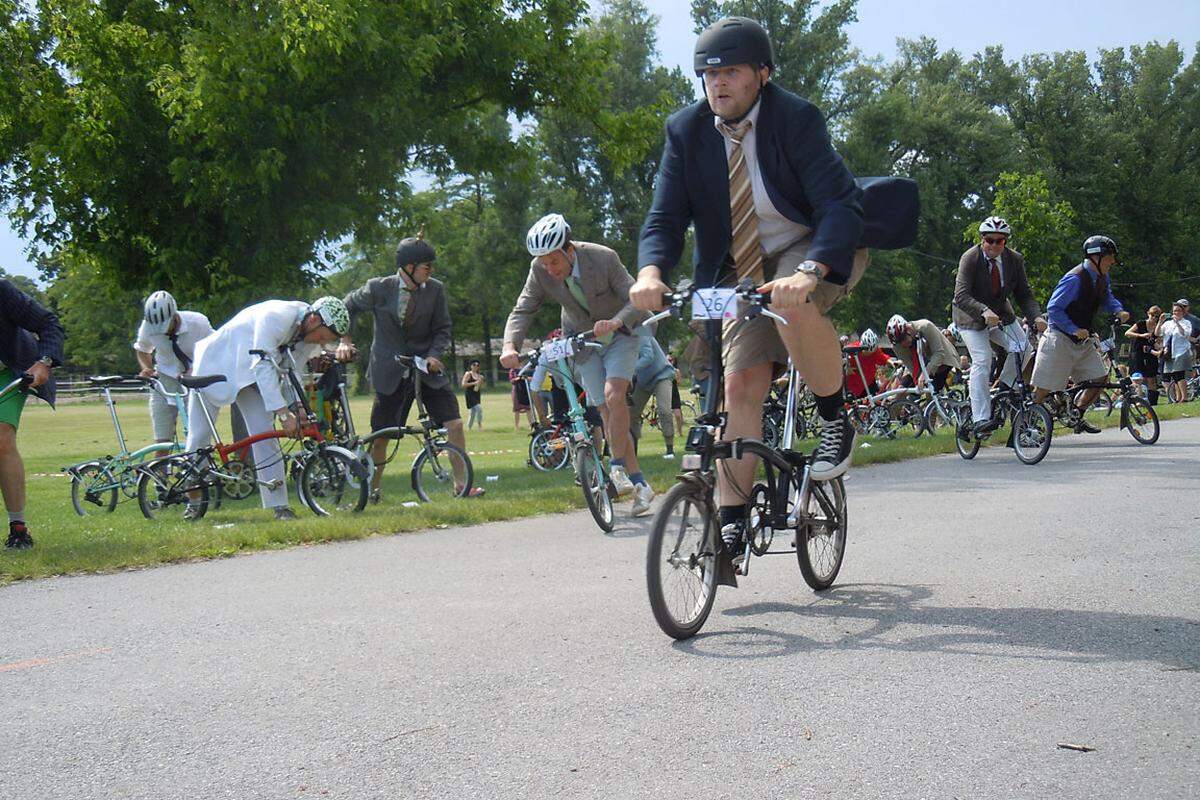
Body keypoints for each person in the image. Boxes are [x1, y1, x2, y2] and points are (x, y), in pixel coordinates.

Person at [628, 16, 918, 560]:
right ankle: (733, 521)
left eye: (731, 72)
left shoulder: (797, 119)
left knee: (797, 303)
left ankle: (836, 416)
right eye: (708, 75)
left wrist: (810, 271)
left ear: (762, 73)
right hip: (739, 265)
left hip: (810, 245)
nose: (718, 84)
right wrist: (649, 274)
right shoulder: (686, 132)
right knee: (738, 387)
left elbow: (837, 204)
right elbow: (664, 217)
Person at [499, 213, 655, 516]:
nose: (549, 269)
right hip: (581, 339)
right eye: (544, 263)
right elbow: (524, 308)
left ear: (569, 250)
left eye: (554, 262)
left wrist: (616, 322)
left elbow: (636, 298)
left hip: (621, 333)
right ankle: (639, 483)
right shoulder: (540, 270)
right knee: (606, 412)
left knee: (614, 394)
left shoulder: (603, 257)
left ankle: (616, 467)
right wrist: (509, 346)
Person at [338, 234, 483, 499]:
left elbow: (443, 328)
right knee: (381, 436)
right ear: (409, 266)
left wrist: (435, 355)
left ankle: (461, 484)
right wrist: (345, 340)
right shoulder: (378, 287)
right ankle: (373, 489)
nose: (432, 270)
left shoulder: (436, 289)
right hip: (390, 371)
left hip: (427, 370)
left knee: (455, 424)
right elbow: (345, 306)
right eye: (427, 266)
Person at [186, 297, 349, 520]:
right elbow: (261, 364)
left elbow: (293, 371)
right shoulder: (276, 317)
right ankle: (193, 502)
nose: (321, 343)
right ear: (314, 319)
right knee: (199, 438)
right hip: (216, 364)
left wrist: (299, 407)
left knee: (265, 434)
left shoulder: (308, 335)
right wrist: (283, 413)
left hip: (249, 377)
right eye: (322, 337)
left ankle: (279, 506)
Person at [952, 216, 1047, 437]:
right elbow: (961, 295)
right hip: (970, 318)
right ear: (982, 239)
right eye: (989, 240)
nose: (994, 245)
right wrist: (984, 311)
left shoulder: (1014, 260)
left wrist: (1037, 317)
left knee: (1024, 348)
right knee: (982, 359)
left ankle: (1004, 389)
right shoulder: (970, 258)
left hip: (1001, 314)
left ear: (1005, 242)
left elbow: (1024, 294)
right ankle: (980, 419)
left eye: (1000, 241)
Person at [1031, 235, 1131, 431]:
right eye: (1110, 257)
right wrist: (1073, 329)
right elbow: (1054, 309)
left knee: (1100, 378)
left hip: (1082, 340)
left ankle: (1075, 415)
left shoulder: (1102, 277)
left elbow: (1106, 297)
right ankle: (1028, 428)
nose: (1112, 262)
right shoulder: (1074, 279)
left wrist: (1118, 310)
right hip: (1059, 338)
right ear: (1097, 257)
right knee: (1043, 388)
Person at [0, 279, 64, 549]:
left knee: (1, 439)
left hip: (7, 373)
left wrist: (44, 362)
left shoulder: (2, 292)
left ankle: (18, 528)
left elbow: (49, 324)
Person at [133, 291, 214, 454]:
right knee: (162, 438)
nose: (162, 332)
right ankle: (160, 475)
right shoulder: (147, 327)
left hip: (194, 380)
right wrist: (146, 368)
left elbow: (214, 348)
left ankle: (200, 473)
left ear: (174, 315)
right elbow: (142, 349)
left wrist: (197, 367)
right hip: (164, 377)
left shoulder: (198, 322)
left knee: (197, 434)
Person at [629, 332, 677, 459]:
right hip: (643, 380)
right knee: (631, 414)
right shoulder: (621, 339)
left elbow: (648, 357)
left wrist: (629, 369)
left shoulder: (641, 332)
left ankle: (670, 450)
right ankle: (633, 449)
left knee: (664, 410)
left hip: (662, 374)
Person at [885, 314, 959, 393]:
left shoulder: (925, 326)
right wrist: (917, 380)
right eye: (899, 342)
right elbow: (911, 368)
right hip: (920, 359)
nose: (903, 344)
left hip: (942, 358)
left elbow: (939, 353)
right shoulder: (897, 346)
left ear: (908, 329)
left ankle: (932, 402)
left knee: (931, 390)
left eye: (903, 339)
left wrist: (924, 375)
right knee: (902, 389)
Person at [1156, 301, 1195, 403]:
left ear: (1182, 312)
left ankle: (1184, 397)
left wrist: (1177, 323)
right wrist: (1160, 322)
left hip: (1181, 351)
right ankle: (1178, 398)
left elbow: (1185, 335)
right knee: (1173, 375)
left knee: (1179, 374)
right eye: (1174, 311)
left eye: (1178, 310)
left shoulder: (1186, 323)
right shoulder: (1167, 323)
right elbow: (1157, 333)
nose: (1176, 313)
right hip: (1169, 352)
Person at [1125, 306, 1163, 405]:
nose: (1154, 318)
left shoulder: (1157, 326)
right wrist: (1141, 335)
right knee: (1137, 377)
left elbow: (1159, 339)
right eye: (1152, 315)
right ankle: (1138, 401)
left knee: (1152, 378)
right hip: (1138, 352)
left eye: (1156, 316)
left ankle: (1153, 403)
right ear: (1148, 314)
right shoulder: (1141, 323)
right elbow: (1127, 333)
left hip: (1151, 353)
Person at [844, 329, 890, 400]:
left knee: (874, 404)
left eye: (872, 352)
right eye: (866, 352)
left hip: (869, 383)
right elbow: (840, 362)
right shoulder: (852, 350)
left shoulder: (876, 351)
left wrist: (893, 362)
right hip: (854, 386)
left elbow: (884, 358)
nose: (869, 354)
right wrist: (846, 368)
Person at [461, 360, 484, 429]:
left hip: (476, 394)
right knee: (479, 409)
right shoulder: (468, 374)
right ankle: (480, 425)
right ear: (471, 366)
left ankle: (469, 427)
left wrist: (480, 382)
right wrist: (474, 383)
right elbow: (463, 384)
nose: (476, 366)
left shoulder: (479, 376)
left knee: (473, 412)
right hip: (469, 394)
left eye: (477, 365)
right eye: (474, 365)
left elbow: (480, 386)